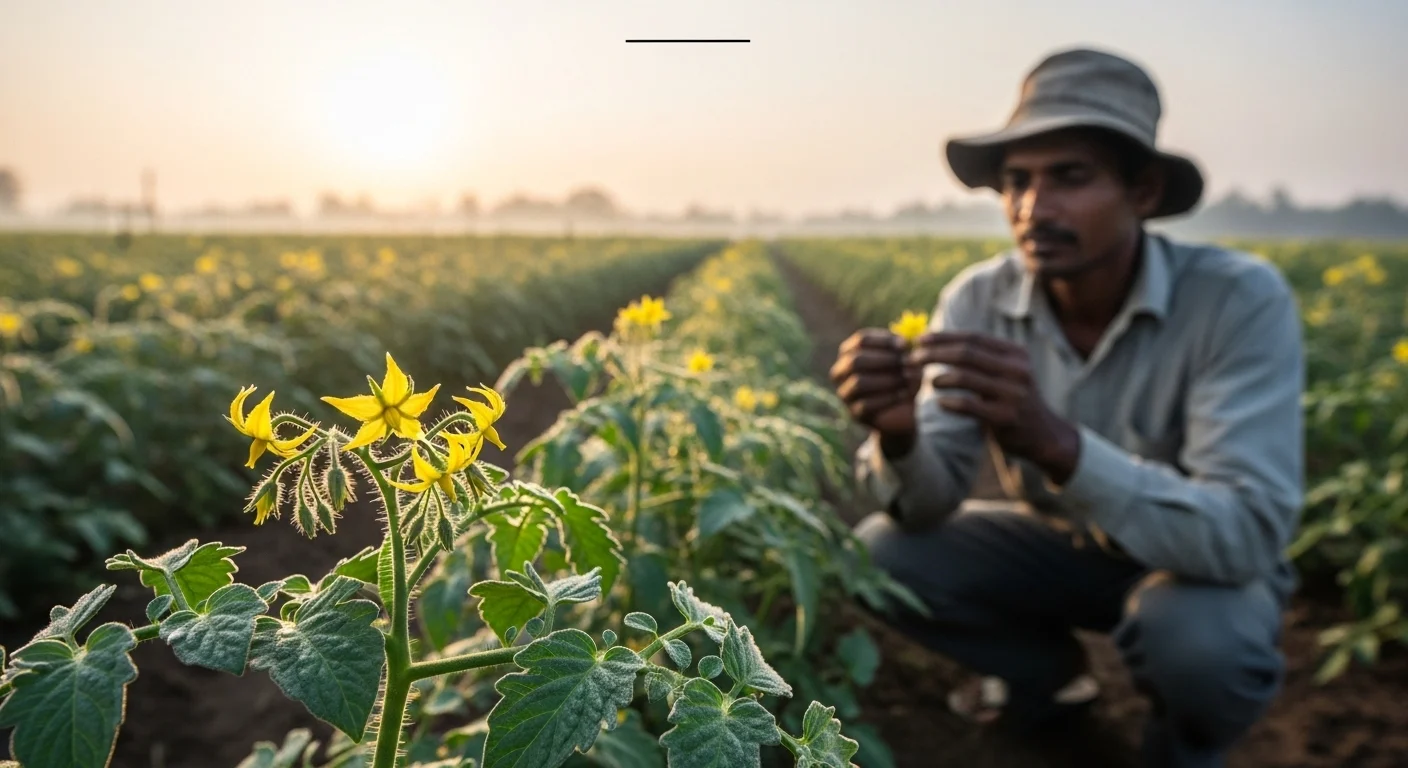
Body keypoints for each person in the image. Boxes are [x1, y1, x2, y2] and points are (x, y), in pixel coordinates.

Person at [830, 47, 1304, 768]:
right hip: (1061, 544)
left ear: (1143, 191)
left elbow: (1247, 534)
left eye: (1069, 178)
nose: (1032, 208)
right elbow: (925, 508)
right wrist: (898, 439)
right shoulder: (977, 299)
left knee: (1200, 644)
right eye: (1016, 182)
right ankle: (1051, 681)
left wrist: (1059, 445)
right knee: (879, 555)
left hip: (1198, 571)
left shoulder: (1238, 300)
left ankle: (1182, 746)